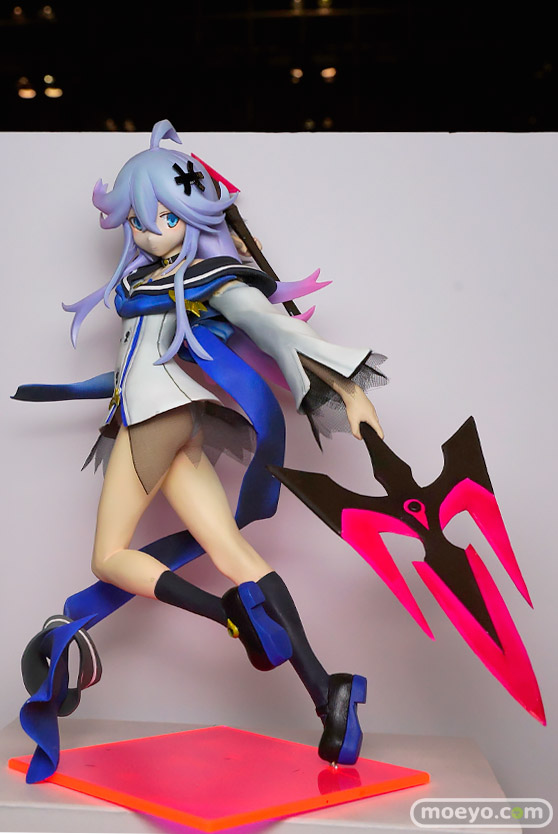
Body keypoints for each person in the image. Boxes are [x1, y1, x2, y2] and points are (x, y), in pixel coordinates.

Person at [16, 119, 388, 773]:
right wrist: (70, 390)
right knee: (231, 550)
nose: (148, 230)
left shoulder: (207, 276)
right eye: (138, 220)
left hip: (155, 423)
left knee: (108, 557)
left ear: (193, 214)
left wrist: (347, 386)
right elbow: (138, 364)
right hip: (177, 420)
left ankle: (229, 616)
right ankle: (327, 690)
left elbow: (271, 326)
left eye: (163, 216)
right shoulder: (149, 282)